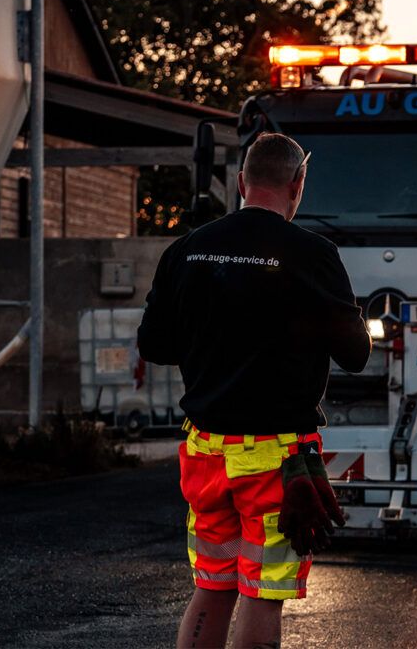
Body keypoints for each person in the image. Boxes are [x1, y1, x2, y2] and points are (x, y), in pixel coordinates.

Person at [137, 132, 371, 649]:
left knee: (212, 586)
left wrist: (211, 345)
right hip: (277, 459)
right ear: (298, 184)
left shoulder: (186, 250)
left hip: (203, 454)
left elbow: (153, 344)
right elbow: (356, 355)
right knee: (263, 592)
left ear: (240, 183)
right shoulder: (313, 254)